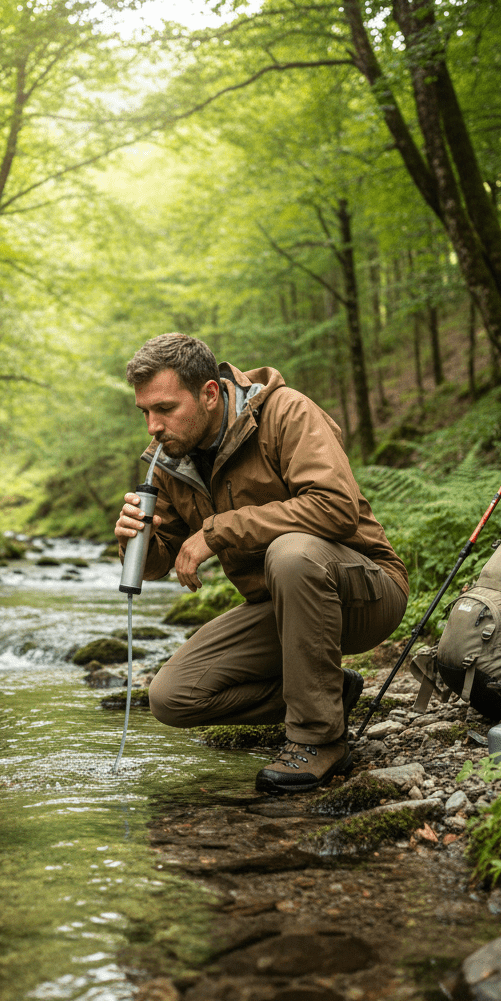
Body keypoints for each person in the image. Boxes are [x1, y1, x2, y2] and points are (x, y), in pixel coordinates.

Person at [114, 333, 409, 793]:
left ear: (209, 394)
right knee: (171, 697)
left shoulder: (285, 412)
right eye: (145, 412)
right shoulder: (171, 459)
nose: (153, 426)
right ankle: (330, 693)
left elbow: (335, 507)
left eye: (165, 409)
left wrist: (218, 531)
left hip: (365, 592)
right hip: (280, 608)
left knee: (291, 553)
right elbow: (156, 565)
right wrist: (135, 539)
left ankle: (318, 738)